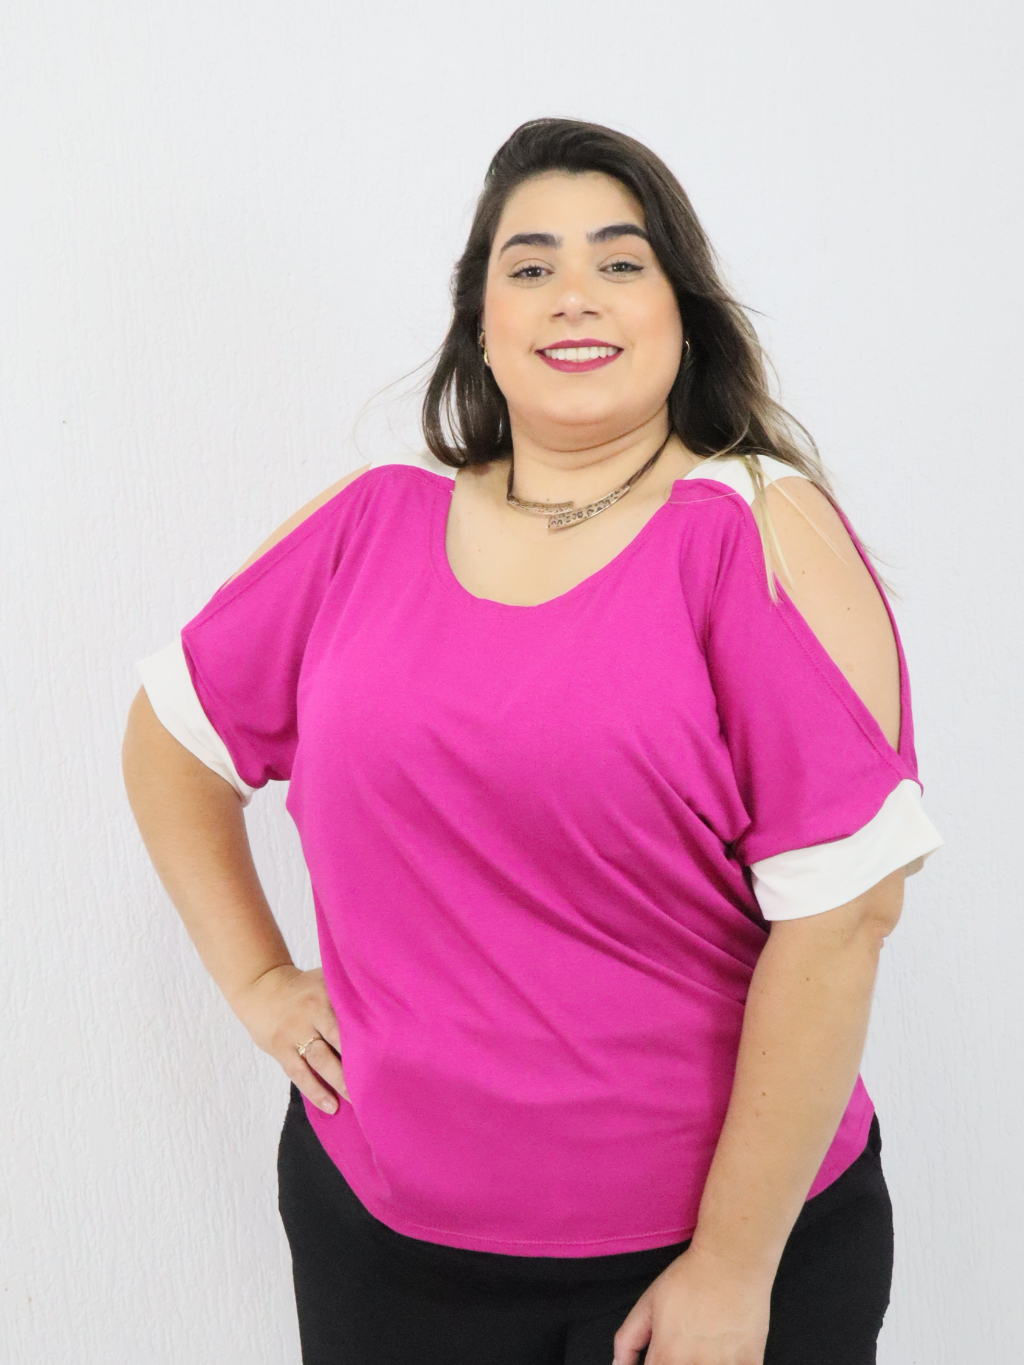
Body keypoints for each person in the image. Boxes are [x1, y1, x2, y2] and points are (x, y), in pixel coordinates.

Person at [122, 117, 942, 1365]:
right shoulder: (369, 527)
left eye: (620, 261)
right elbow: (171, 736)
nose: (574, 293)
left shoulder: (754, 531)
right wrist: (259, 983)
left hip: (695, 1269)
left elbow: (847, 916)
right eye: (530, 265)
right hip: (381, 1248)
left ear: (682, 314)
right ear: (481, 322)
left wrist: (731, 1269)